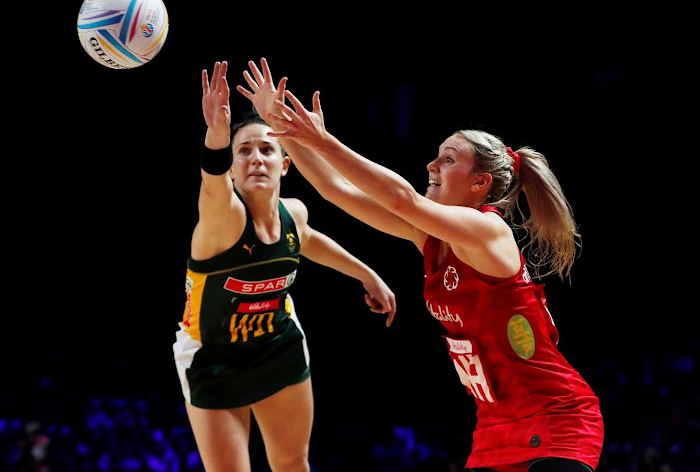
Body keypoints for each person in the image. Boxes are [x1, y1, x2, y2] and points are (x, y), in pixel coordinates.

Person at [237, 58, 604, 472]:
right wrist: (283, 127)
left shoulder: (489, 233)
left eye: (447, 160)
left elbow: (403, 199)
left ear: (480, 184)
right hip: (494, 426)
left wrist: (324, 141)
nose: (431, 165)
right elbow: (334, 188)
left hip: (557, 417)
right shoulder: (431, 239)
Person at [172, 61, 396, 472]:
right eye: (244, 151)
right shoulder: (224, 220)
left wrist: (368, 274)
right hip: (212, 356)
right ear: (234, 169)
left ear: (285, 163)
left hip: (277, 344)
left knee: (294, 463)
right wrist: (217, 135)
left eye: (266, 149)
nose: (255, 158)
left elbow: (309, 242)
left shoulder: (295, 213)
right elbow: (212, 182)